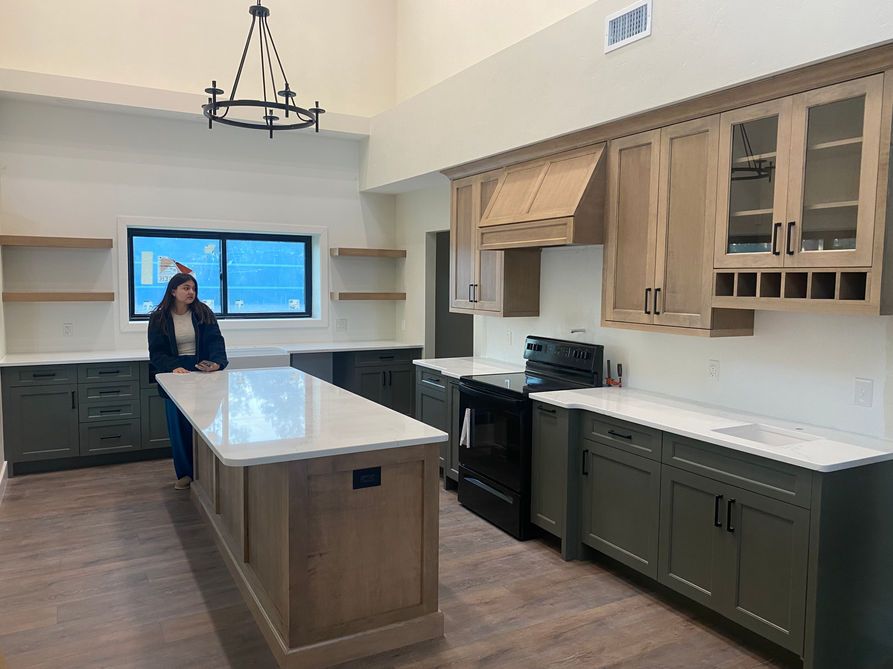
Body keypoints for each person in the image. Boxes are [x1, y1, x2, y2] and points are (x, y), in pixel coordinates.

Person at [147, 272, 228, 490]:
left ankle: (207, 472)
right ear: (173, 291)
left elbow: (216, 343)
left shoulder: (204, 313)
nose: (191, 292)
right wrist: (172, 366)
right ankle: (185, 474)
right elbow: (156, 352)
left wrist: (217, 364)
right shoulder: (158, 318)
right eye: (185, 288)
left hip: (202, 374)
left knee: (205, 425)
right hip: (176, 374)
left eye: (193, 288)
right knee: (179, 428)